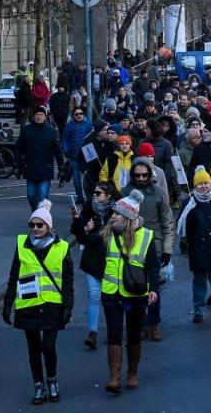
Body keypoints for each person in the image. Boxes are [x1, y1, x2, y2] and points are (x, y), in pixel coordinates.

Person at [2, 200, 74, 404]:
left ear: (49, 226)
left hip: (52, 305)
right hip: (28, 305)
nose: (35, 228)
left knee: (48, 347)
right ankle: (38, 386)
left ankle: (52, 380)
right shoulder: (22, 245)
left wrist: (68, 305)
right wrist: (8, 305)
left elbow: (68, 279)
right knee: (33, 348)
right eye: (32, 225)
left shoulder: (62, 247)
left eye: (39, 225)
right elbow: (14, 275)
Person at [99, 190, 159, 394]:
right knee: (114, 333)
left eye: (116, 213)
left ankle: (132, 374)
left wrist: (154, 289)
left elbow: (153, 265)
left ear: (128, 216)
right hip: (111, 292)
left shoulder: (146, 236)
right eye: (113, 212)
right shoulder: (109, 233)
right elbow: (93, 252)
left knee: (134, 334)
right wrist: (78, 224)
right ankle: (114, 378)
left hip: (136, 293)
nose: (112, 216)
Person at [123, 159, 175, 341]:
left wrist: (168, 249)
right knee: (135, 285)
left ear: (150, 175)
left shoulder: (159, 193)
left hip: (156, 244)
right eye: (137, 175)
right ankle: (142, 323)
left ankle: (154, 323)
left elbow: (168, 222)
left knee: (154, 287)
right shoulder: (126, 193)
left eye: (144, 175)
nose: (141, 178)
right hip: (132, 244)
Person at [177, 166, 211, 325]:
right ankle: (198, 310)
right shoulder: (189, 203)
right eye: (200, 184)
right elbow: (182, 227)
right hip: (198, 249)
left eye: (206, 183)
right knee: (199, 281)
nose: (204, 186)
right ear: (195, 186)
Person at [70, 181, 116, 350]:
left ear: (108, 196)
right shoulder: (89, 207)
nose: (94, 196)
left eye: (98, 193)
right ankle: (92, 333)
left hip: (112, 260)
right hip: (92, 258)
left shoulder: (117, 210)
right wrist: (80, 223)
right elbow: (77, 233)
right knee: (93, 296)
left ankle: (113, 331)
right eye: (94, 193)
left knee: (111, 299)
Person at [16, 107, 65, 211]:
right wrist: (18, 165)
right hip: (30, 168)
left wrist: (61, 167)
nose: (39, 116)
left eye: (41, 115)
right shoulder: (26, 130)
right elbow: (19, 148)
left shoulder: (51, 131)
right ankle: (36, 213)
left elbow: (57, 150)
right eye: (37, 114)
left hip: (45, 169)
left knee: (42, 196)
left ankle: (43, 217)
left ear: (45, 117)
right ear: (33, 116)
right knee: (31, 195)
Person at [61, 107, 93, 204]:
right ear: (73, 116)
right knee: (76, 178)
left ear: (83, 114)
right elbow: (64, 139)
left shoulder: (88, 125)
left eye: (81, 113)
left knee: (89, 177)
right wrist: (66, 150)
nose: (79, 115)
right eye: (76, 114)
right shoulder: (69, 126)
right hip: (74, 155)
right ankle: (79, 196)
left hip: (87, 155)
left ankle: (90, 196)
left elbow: (93, 138)